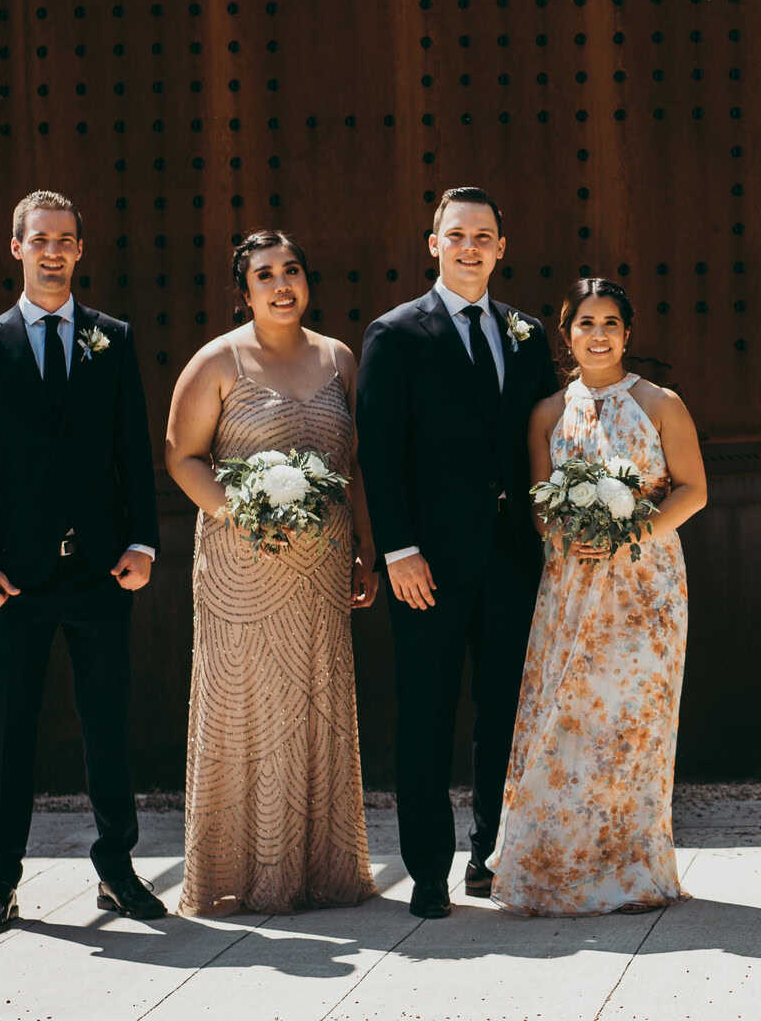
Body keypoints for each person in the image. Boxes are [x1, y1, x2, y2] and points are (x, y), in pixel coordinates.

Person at [0, 189, 166, 935]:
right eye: (39, 238)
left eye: (66, 239)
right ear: (16, 247)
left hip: (101, 572)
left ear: (80, 249)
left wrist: (142, 543)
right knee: (9, 727)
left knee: (108, 723)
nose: (53, 250)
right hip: (14, 577)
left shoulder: (112, 338)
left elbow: (133, 451)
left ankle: (116, 872)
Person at [356, 186, 560, 919]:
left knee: (505, 710)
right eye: (456, 235)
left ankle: (487, 852)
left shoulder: (529, 335)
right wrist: (399, 551)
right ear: (432, 243)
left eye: (484, 236)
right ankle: (429, 871)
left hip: (513, 559)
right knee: (428, 715)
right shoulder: (396, 334)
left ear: (502, 248)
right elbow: (378, 454)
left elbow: (544, 439)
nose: (470, 247)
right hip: (428, 565)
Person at [163, 230, 377, 916]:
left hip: (320, 567)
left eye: (291, 271)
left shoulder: (340, 358)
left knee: (316, 702)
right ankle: (240, 874)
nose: (281, 285)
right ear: (243, 291)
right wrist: (245, 514)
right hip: (242, 565)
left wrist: (366, 547)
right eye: (265, 275)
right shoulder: (217, 362)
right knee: (246, 706)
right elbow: (183, 457)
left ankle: (320, 871)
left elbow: (355, 465)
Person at [490, 278, 706, 915]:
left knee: (632, 726)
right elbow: (537, 504)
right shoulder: (548, 414)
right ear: (567, 333)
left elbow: (692, 491)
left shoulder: (661, 403)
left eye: (611, 322)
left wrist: (628, 533)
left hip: (646, 586)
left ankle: (631, 867)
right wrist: (565, 531)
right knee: (566, 719)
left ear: (628, 333)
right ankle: (558, 862)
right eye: (586, 323)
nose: (599, 334)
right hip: (570, 585)